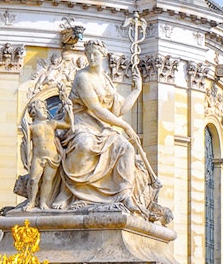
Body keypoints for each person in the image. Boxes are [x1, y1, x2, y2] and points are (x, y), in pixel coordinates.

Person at [54, 40, 151, 216]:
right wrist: (125, 125)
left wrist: (136, 90)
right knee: (85, 144)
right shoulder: (82, 77)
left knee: (126, 148)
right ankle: (69, 190)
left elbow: (119, 109)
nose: (91, 57)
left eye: (95, 54)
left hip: (101, 126)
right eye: (89, 54)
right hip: (81, 121)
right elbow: (95, 108)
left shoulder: (106, 80)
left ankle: (124, 194)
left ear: (103, 55)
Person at [20, 98, 72, 210]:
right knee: (33, 179)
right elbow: (25, 144)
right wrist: (25, 159)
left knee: (48, 180)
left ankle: (43, 202)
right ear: (33, 112)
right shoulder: (31, 127)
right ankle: (31, 202)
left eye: (45, 108)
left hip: (52, 157)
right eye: (41, 108)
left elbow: (67, 124)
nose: (44, 110)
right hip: (37, 157)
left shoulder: (51, 123)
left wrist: (68, 110)